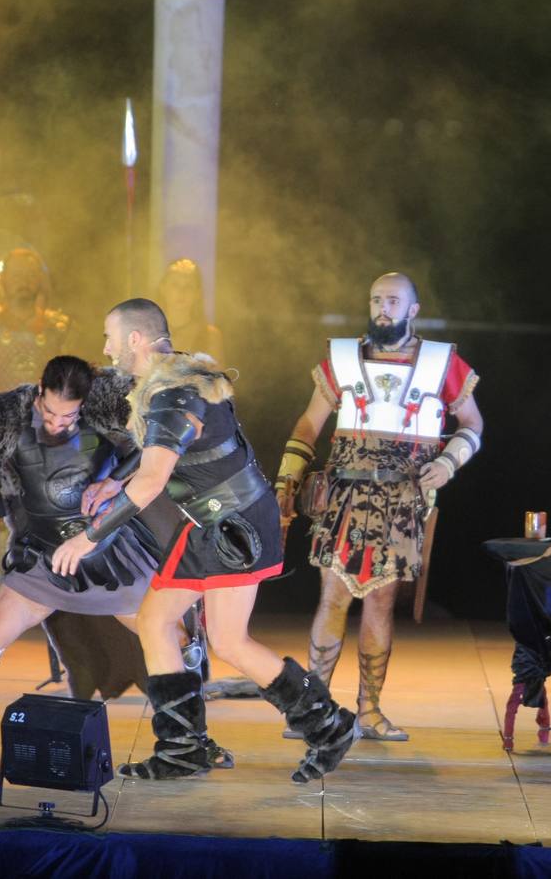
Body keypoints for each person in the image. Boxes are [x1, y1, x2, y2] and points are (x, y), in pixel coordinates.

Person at [50, 299, 356, 782]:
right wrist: (114, 482)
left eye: (110, 336)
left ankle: (327, 726)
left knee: (227, 640)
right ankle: (183, 748)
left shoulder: (173, 393)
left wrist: (89, 539)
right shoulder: (177, 381)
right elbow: (159, 453)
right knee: (157, 622)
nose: (105, 348)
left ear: (135, 339)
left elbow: (152, 483)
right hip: (214, 522)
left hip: (231, 526)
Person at [0, 355, 225, 761]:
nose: (57, 424)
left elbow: (153, 444)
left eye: (68, 416)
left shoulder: (107, 403)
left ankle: (193, 739)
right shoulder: (7, 412)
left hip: (110, 553)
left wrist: (113, 479)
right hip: (42, 558)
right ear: (39, 391)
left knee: (175, 640)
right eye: (51, 413)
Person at [274, 272, 482, 741]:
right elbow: (310, 422)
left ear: (413, 309)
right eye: (375, 300)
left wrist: (450, 461)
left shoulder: (439, 363)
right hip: (344, 496)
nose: (382, 308)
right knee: (332, 598)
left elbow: (472, 423)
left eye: (393, 300)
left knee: (381, 604)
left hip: (402, 502)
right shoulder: (343, 359)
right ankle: (313, 710)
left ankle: (369, 711)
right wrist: (287, 475)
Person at [0, 249, 72, 389]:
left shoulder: (60, 329)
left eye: (30, 275)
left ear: (40, 280)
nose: (23, 281)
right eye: (16, 275)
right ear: (3, 279)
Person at [156, 259, 224, 359]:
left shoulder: (210, 336)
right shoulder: (147, 334)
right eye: (175, 285)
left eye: (189, 286)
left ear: (197, 293)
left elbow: (218, 374)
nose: (181, 291)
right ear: (163, 288)